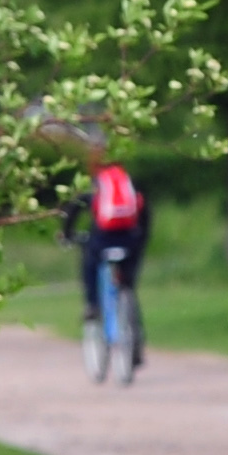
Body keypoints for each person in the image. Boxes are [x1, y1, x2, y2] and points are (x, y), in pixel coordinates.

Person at [70, 158, 150, 384]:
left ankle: (92, 305)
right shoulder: (130, 184)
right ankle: (135, 338)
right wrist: (141, 239)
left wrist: (68, 234)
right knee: (128, 287)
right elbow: (145, 214)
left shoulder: (97, 185)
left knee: (89, 264)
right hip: (131, 241)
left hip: (102, 241)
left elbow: (76, 207)